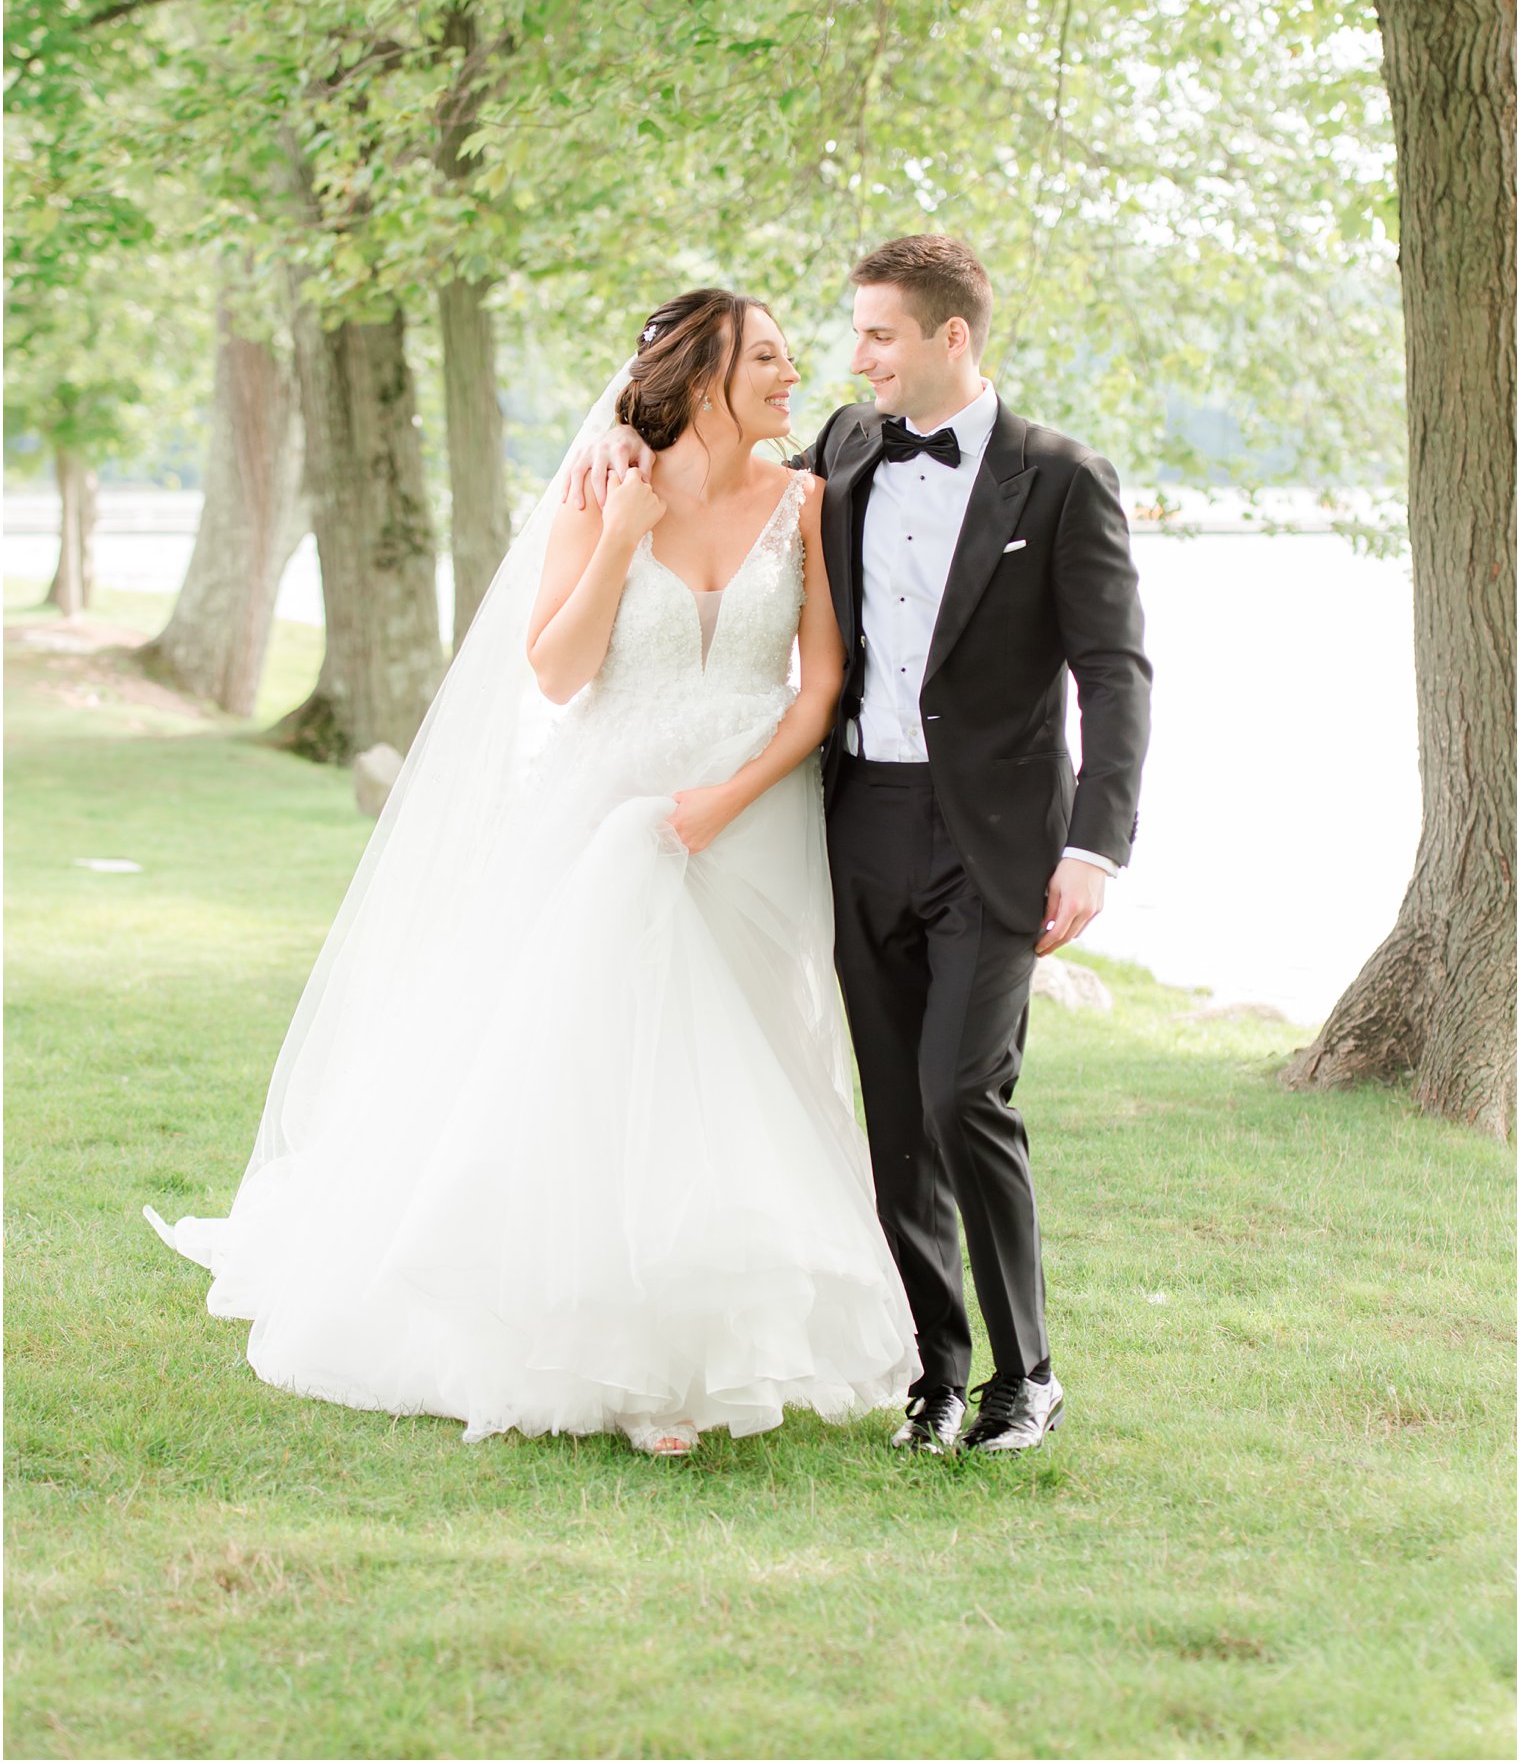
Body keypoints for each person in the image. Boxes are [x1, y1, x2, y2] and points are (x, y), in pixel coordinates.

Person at [147, 290, 916, 1456]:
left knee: (744, 1071)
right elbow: (555, 672)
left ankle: (712, 1339)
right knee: (604, 1065)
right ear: (704, 375)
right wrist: (616, 536)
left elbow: (816, 688)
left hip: (747, 818)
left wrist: (726, 797)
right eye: (766, 356)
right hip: (605, 810)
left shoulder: (804, 499)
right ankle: (626, 1359)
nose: (790, 373)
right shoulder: (604, 488)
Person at [570, 235, 1152, 1457]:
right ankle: (934, 1375)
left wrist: (1093, 849)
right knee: (890, 1106)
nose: (854, 358)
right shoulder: (839, 446)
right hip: (856, 819)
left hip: (998, 836)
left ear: (952, 338)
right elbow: (688, 435)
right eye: (850, 337)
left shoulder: (1058, 479)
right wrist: (624, 439)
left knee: (960, 1091)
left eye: (878, 335)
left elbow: (1113, 672)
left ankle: (1024, 1373)